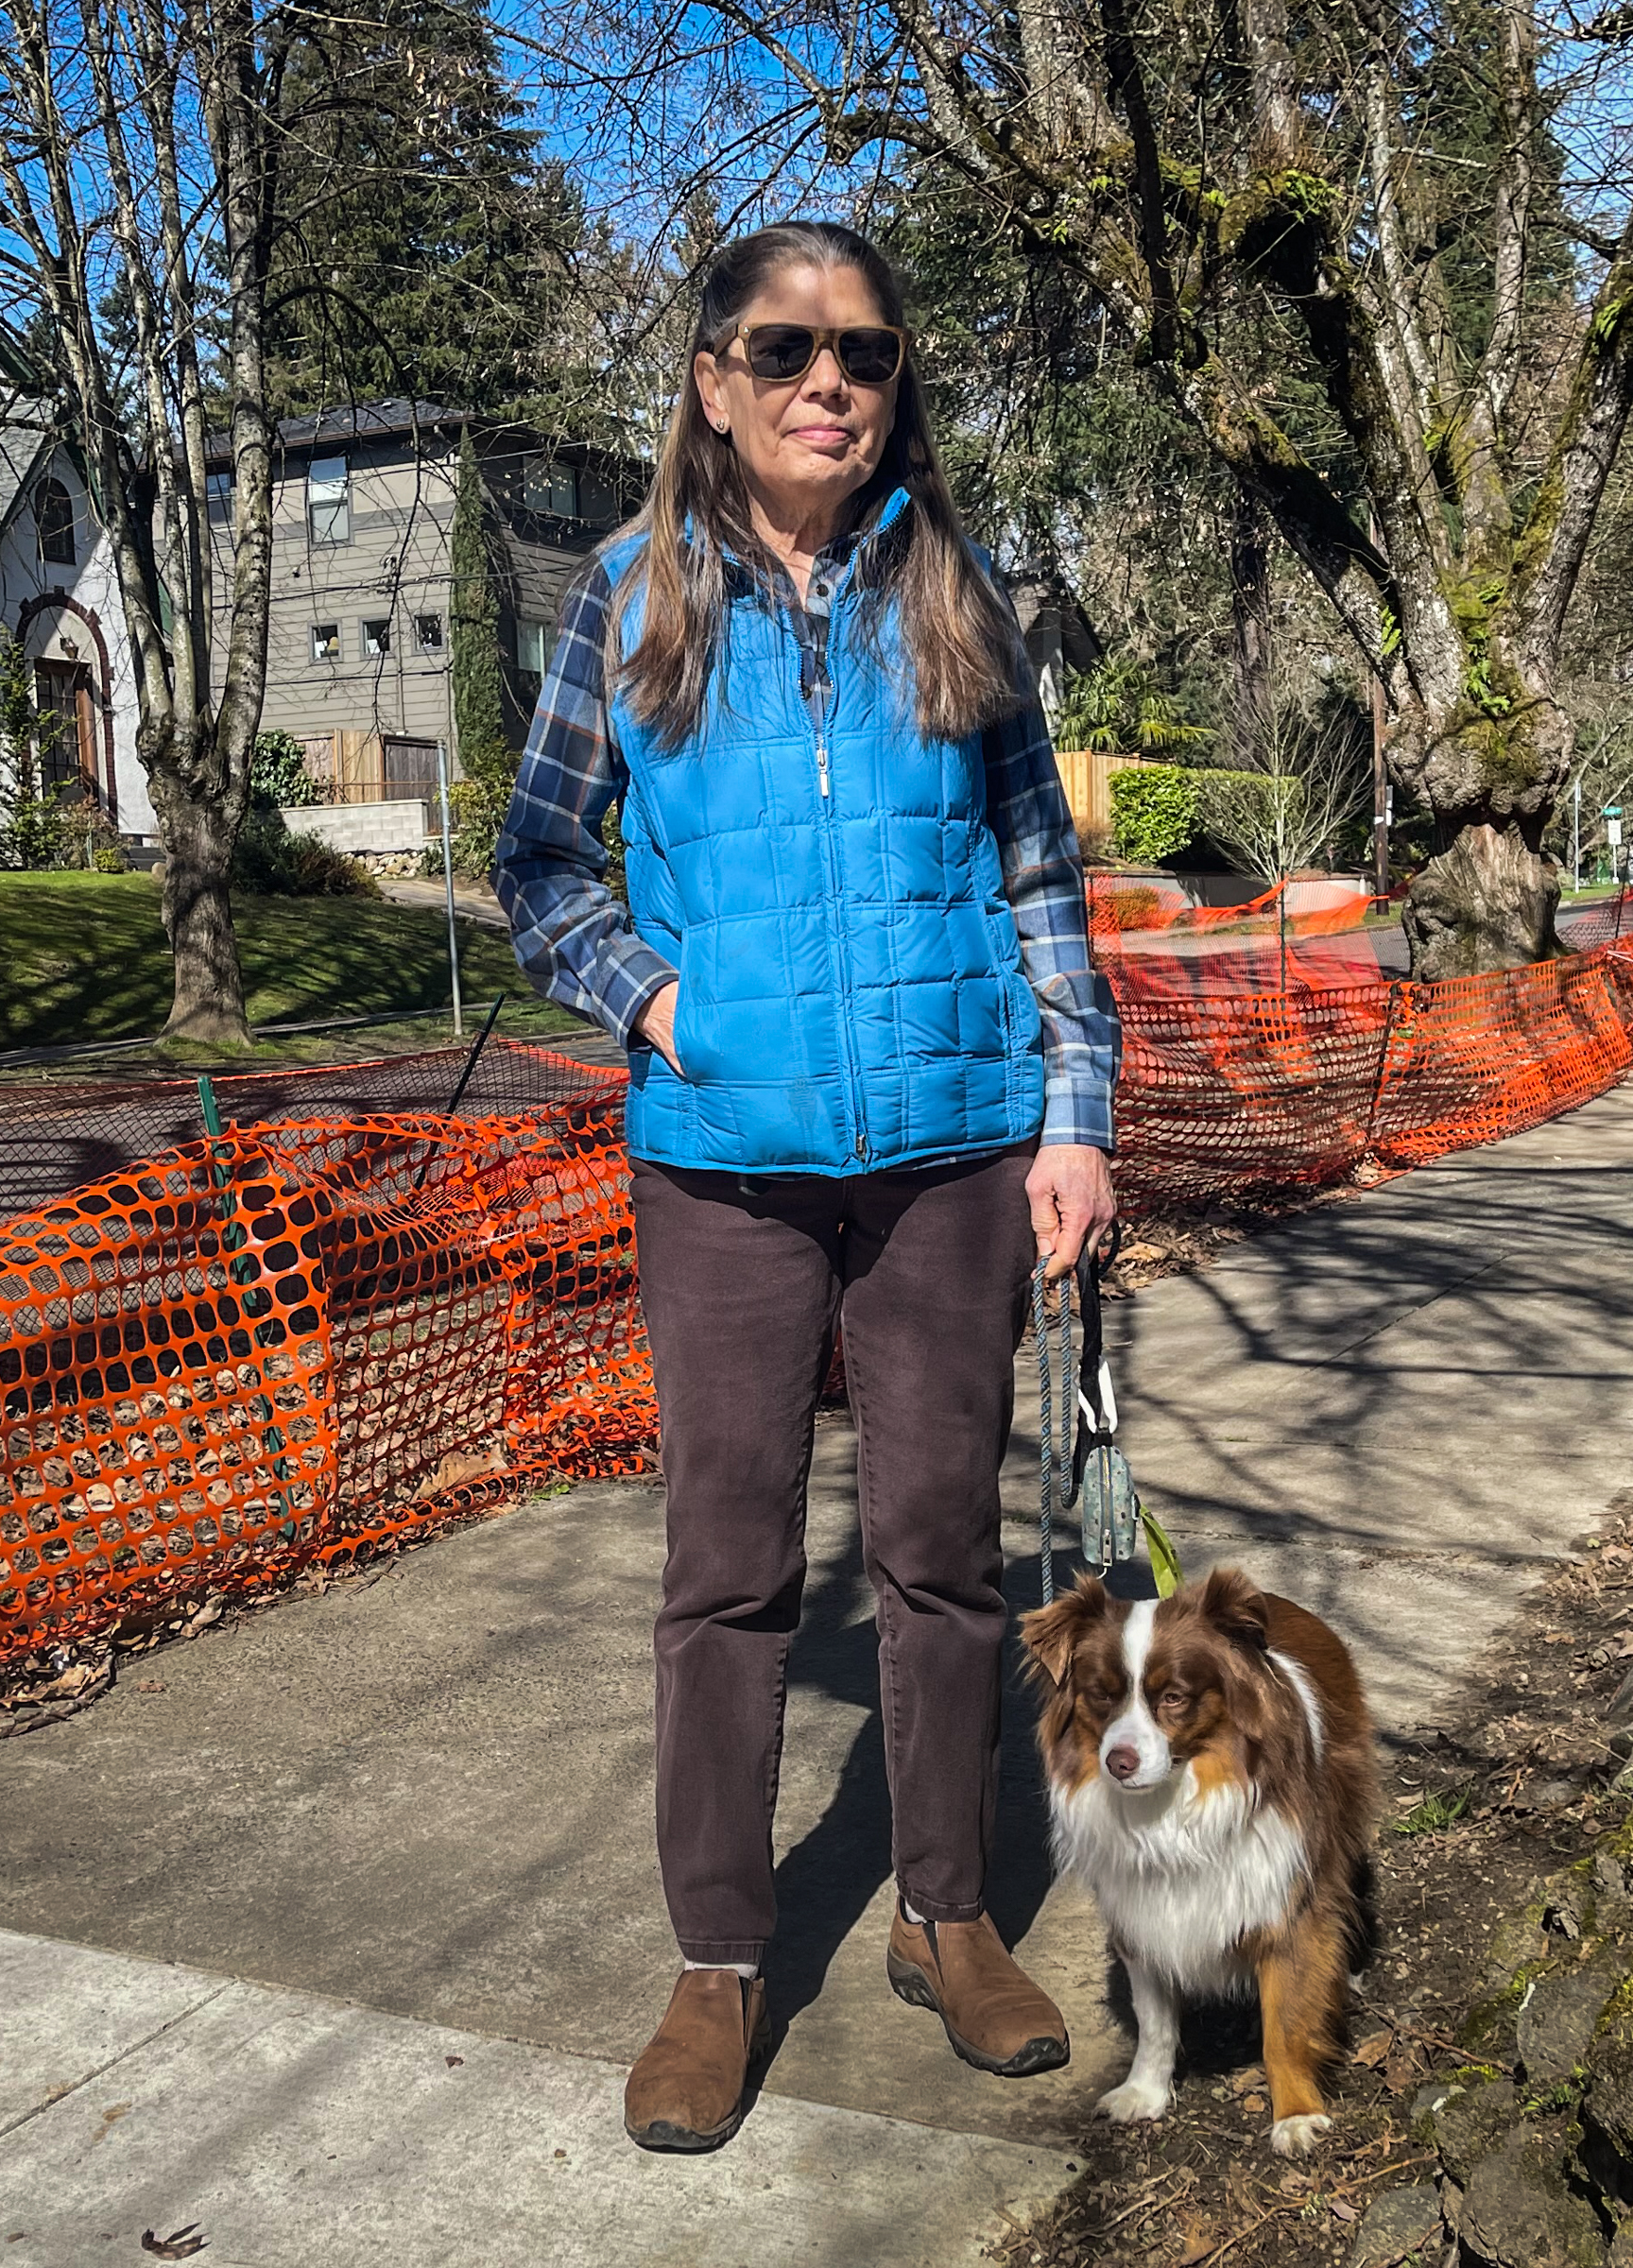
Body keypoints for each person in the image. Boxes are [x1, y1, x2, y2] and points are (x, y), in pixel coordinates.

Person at [493, 218, 1122, 2155]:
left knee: (942, 1557)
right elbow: (539, 864)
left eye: (861, 351)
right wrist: (659, 1003)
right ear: (714, 382)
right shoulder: (630, 598)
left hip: (952, 1152)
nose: (826, 381)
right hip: (726, 1170)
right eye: (784, 349)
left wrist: (1078, 1115)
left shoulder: (959, 591)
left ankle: (948, 1916)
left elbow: (1040, 870)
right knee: (728, 1570)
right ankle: (719, 1960)